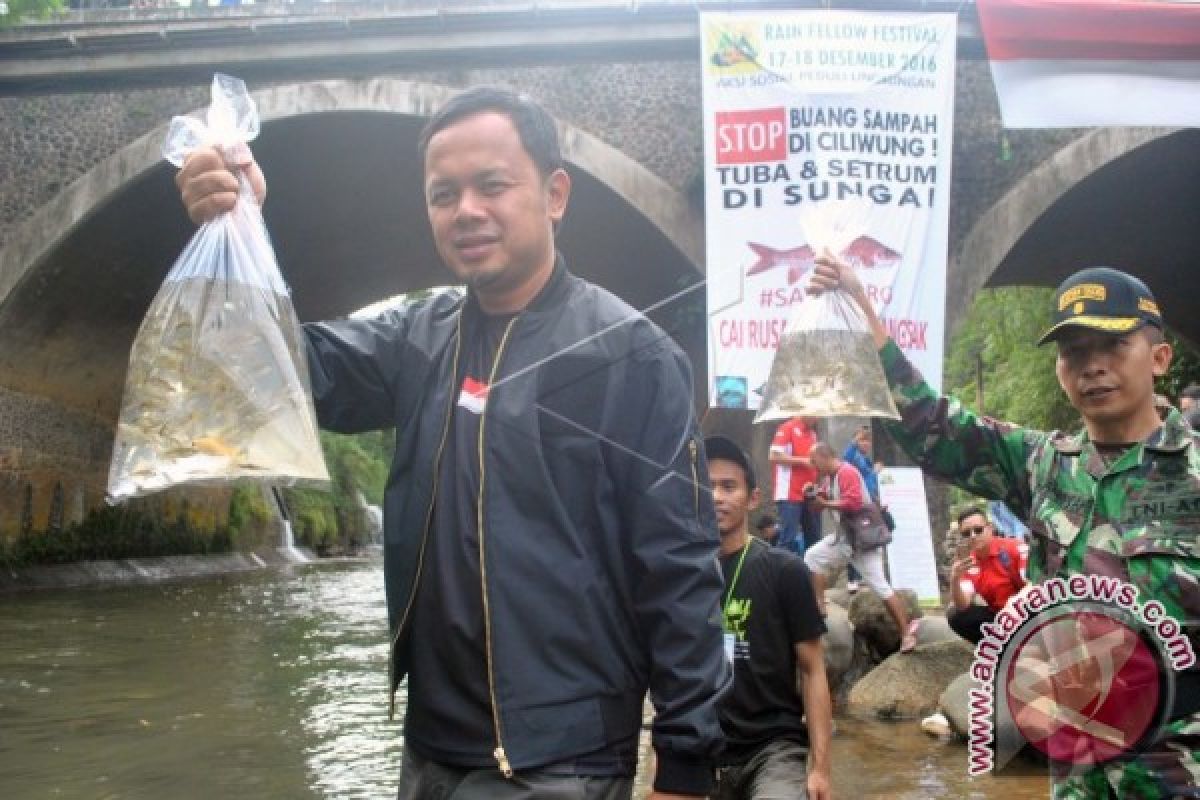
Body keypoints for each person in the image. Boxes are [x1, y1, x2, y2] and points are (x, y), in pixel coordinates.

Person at [176, 87, 731, 800]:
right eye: (444, 194)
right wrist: (240, 228)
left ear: (554, 193)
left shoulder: (634, 354)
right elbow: (281, 372)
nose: (466, 209)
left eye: (492, 185)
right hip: (431, 751)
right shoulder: (417, 338)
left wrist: (686, 764)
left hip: (561, 761)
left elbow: (679, 566)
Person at [811, 256, 1200, 797]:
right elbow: (928, 424)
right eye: (1075, 352)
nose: (1092, 366)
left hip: (1179, 765)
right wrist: (859, 303)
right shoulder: (1040, 464)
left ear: (1159, 357)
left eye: (1113, 346)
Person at [703, 436, 832, 800]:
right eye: (707, 486)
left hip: (772, 749)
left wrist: (821, 770)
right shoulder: (682, 576)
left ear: (753, 498)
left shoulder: (784, 570)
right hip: (702, 751)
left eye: (729, 486)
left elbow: (812, 669)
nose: (716, 497)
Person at [804, 443, 919, 653]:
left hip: (864, 540)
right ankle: (819, 606)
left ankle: (906, 633)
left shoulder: (847, 472)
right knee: (813, 556)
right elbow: (818, 504)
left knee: (880, 586)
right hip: (845, 539)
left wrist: (826, 504)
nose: (812, 465)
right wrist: (811, 495)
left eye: (814, 460)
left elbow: (853, 503)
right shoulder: (829, 478)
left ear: (824, 456)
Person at [946, 507, 1028, 645]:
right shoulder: (968, 563)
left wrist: (1014, 604)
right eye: (966, 533)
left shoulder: (1014, 547)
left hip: (1026, 612)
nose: (973, 536)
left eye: (978, 530)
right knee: (956, 615)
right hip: (1001, 621)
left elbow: (1034, 583)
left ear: (989, 528)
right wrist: (954, 578)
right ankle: (1006, 648)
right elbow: (963, 605)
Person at [767, 416, 821, 556]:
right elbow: (773, 456)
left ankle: (808, 575)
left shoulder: (813, 434)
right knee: (787, 539)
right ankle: (779, 576)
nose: (817, 418)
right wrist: (803, 461)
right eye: (815, 414)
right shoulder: (787, 428)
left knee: (814, 540)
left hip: (809, 492)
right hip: (789, 493)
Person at [840, 425, 879, 592]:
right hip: (857, 504)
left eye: (867, 440)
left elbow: (870, 482)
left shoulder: (866, 460)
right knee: (855, 541)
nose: (865, 443)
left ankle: (863, 577)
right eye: (862, 440)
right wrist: (855, 440)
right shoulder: (853, 456)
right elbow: (845, 457)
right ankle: (852, 579)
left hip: (869, 504)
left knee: (868, 540)